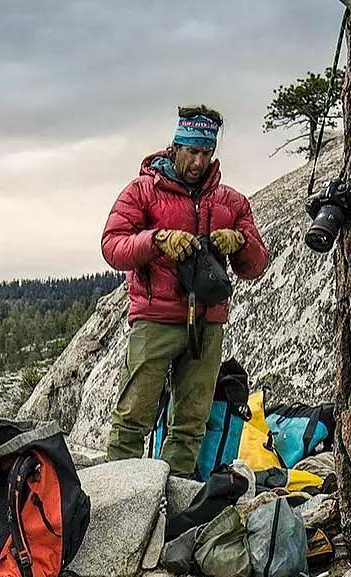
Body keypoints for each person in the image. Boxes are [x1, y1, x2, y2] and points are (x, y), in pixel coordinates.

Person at [100, 105, 269, 476]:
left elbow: (257, 265)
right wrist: (157, 240)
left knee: (191, 422)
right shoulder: (142, 191)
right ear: (175, 147)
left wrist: (240, 241)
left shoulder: (231, 202)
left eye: (206, 153)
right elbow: (112, 246)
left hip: (207, 323)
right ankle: (118, 495)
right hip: (155, 319)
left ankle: (173, 496)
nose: (198, 162)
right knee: (133, 417)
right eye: (192, 151)